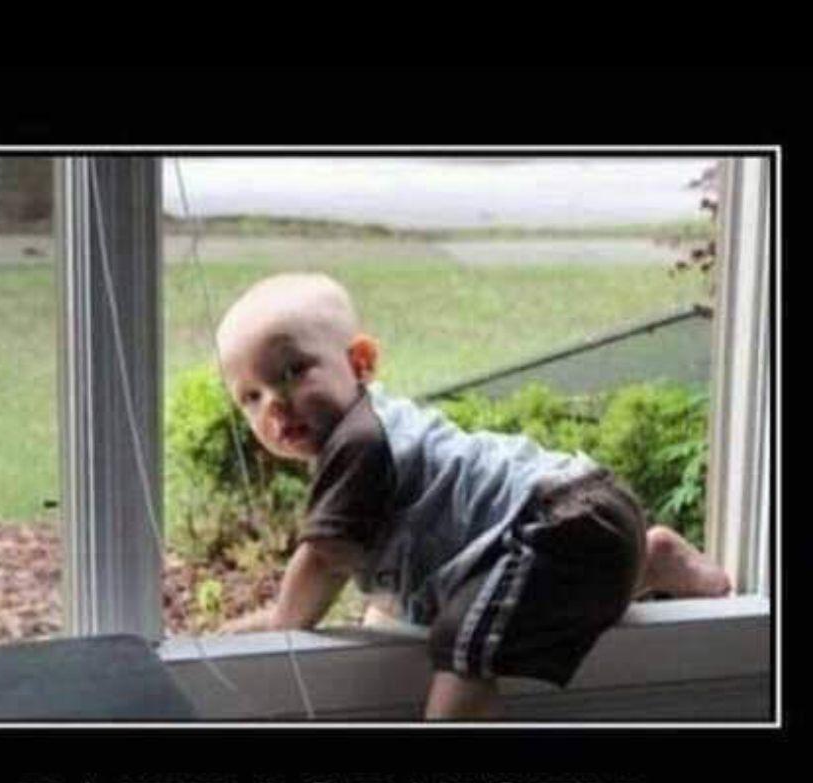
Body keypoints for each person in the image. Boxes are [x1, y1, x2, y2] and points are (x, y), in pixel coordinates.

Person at [216, 273, 730, 720]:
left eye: (292, 372)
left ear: (361, 362)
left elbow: (326, 558)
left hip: (552, 521)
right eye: (251, 397)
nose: (275, 405)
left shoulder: (360, 443)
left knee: (463, 645)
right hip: (582, 509)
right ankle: (652, 559)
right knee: (525, 603)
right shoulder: (375, 422)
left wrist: (282, 623)